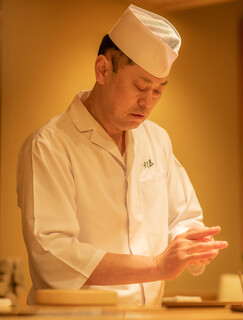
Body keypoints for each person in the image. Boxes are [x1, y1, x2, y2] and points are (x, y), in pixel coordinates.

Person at [17, 4, 228, 306]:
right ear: (102, 70)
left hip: (149, 313)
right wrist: (157, 266)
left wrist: (191, 241)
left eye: (158, 91)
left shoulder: (157, 140)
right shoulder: (50, 145)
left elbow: (183, 216)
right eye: (140, 86)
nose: (147, 102)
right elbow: (53, 254)